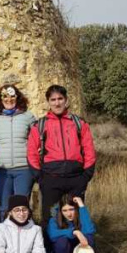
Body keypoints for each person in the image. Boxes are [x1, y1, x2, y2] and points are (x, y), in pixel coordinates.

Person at [27, 84, 96, 223]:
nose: (57, 103)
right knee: (51, 219)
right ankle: (51, 245)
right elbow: (31, 152)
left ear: (66, 100)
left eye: (60, 98)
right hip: (50, 179)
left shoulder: (79, 123)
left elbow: (89, 150)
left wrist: (86, 175)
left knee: (76, 218)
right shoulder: (39, 125)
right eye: (53, 100)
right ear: (48, 102)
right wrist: (40, 177)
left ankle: (77, 244)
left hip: (76, 178)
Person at [0, 84, 36, 220]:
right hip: (2, 170)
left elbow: (40, 138)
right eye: (5, 97)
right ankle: (5, 240)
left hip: (24, 169)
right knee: (4, 207)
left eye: (12, 96)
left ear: (17, 98)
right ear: (0, 99)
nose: (9, 100)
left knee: (22, 207)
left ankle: (24, 239)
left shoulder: (28, 116)